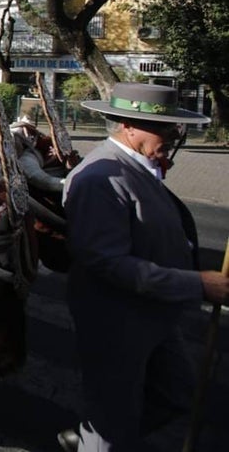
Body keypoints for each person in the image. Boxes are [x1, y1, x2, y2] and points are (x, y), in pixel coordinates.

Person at [58, 83, 229, 451]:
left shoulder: (140, 164)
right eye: (163, 127)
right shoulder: (97, 179)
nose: (172, 135)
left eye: (174, 127)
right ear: (127, 125)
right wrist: (198, 284)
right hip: (115, 322)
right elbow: (109, 263)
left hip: (151, 315)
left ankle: (87, 439)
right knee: (113, 424)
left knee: (177, 394)